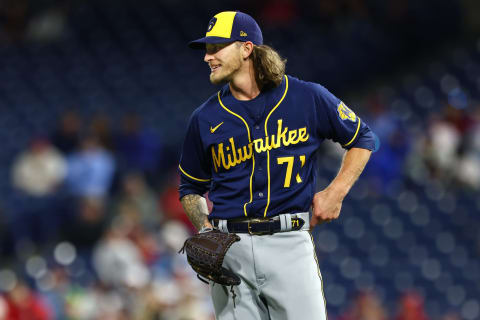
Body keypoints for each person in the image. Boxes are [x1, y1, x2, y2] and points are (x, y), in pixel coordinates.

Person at [178, 11, 376, 320]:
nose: (207, 56)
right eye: (206, 49)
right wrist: (204, 228)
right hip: (229, 249)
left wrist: (336, 191)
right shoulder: (204, 119)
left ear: (246, 49)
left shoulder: (306, 97)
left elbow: (362, 138)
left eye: (216, 47)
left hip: (289, 242)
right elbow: (190, 188)